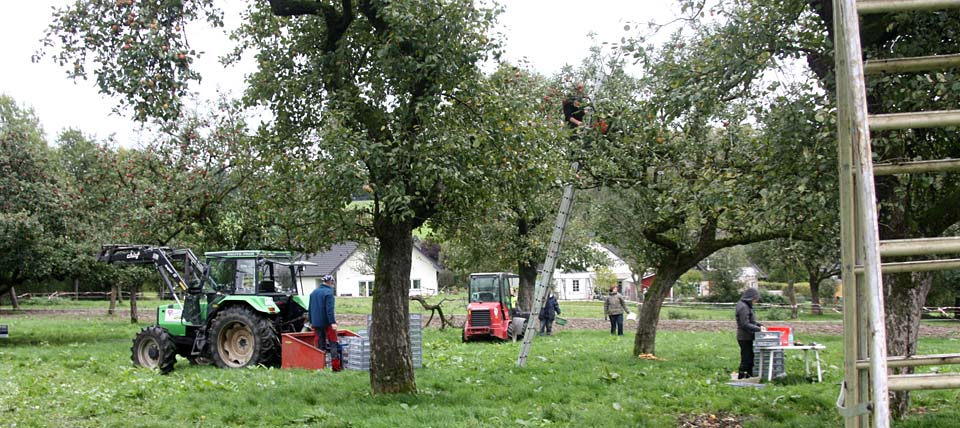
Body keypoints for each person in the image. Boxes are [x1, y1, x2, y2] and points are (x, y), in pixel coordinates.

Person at [309, 274, 341, 371]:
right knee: (333, 342)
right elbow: (329, 310)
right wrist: (333, 322)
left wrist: (311, 321)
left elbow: (310, 308)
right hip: (327, 322)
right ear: (330, 282)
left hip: (316, 323)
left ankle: (320, 366)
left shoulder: (313, 292)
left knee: (320, 343)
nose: (333, 285)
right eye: (332, 283)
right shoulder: (329, 293)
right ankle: (335, 367)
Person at [735, 287, 764, 379]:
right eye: (755, 299)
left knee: (750, 357)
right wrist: (758, 329)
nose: (755, 301)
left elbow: (751, 321)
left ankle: (749, 376)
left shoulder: (745, 306)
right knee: (746, 358)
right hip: (744, 337)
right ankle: (742, 376)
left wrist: (759, 325)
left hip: (747, 336)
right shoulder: (743, 307)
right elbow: (745, 324)